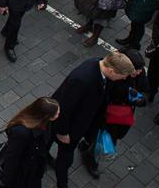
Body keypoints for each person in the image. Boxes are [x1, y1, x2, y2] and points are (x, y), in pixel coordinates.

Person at [51, 53, 136, 188]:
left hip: (82, 120)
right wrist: (63, 133)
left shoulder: (100, 65)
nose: (123, 79)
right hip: (69, 126)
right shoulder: (82, 79)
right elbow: (64, 108)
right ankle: (62, 183)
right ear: (112, 71)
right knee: (65, 158)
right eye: (122, 76)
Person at [78, 50, 148, 179]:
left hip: (120, 116)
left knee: (105, 137)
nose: (139, 72)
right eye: (136, 69)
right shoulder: (113, 76)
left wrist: (140, 99)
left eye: (140, 70)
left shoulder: (138, 75)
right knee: (100, 137)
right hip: (104, 115)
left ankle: (87, 146)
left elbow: (145, 91)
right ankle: (90, 158)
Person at [1, 98, 60, 188]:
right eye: (57, 113)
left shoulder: (45, 122)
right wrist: (6, 184)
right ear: (46, 116)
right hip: (23, 172)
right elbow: (11, 159)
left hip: (34, 167)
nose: (58, 114)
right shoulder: (21, 133)